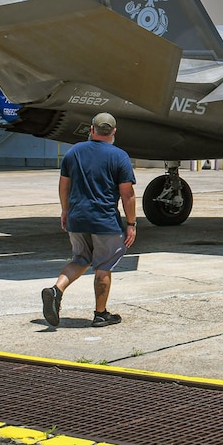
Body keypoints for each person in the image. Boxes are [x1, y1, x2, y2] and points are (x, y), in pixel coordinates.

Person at [41, 112, 137, 329]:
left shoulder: (73, 153)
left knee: (80, 258)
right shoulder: (119, 156)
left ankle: (56, 290)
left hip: (77, 218)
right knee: (103, 267)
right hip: (104, 221)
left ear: (91, 129)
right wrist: (131, 224)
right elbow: (127, 194)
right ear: (113, 132)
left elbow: (63, 185)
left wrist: (65, 211)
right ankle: (100, 314)